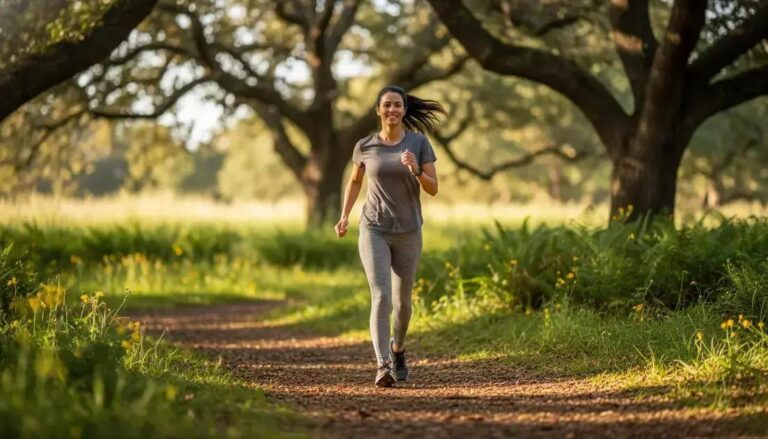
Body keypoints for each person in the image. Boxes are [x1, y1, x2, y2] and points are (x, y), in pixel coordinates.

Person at [334, 85, 444, 387]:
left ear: (404, 110)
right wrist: (344, 215)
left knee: (403, 304)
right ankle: (382, 364)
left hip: (409, 230)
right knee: (381, 296)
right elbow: (354, 182)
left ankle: (397, 349)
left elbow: (433, 188)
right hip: (374, 228)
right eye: (387, 105)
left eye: (397, 105)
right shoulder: (365, 146)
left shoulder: (419, 143)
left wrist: (416, 170)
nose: (392, 110)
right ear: (378, 110)